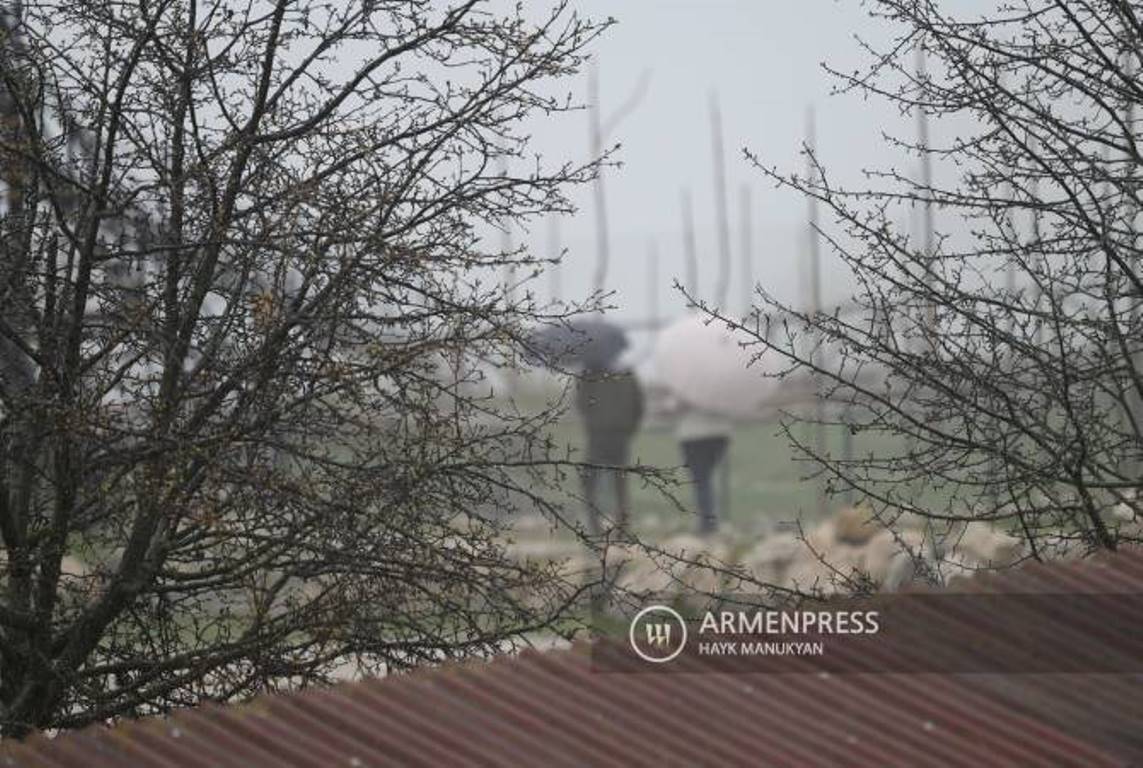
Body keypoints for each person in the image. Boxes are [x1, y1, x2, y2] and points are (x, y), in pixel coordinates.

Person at [575, 367, 644, 536]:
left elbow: (581, 404)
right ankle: (622, 528)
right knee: (620, 484)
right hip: (620, 435)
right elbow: (639, 406)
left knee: (589, 482)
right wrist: (628, 429)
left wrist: (592, 422)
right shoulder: (628, 375)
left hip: (597, 434)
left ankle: (594, 527)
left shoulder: (590, 374)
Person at [675, 404, 733, 534]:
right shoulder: (720, 390)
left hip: (693, 435)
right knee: (705, 480)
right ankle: (709, 519)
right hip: (720, 433)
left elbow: (672, 408)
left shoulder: (687, 388)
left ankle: (707, 523)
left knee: (701, 480)